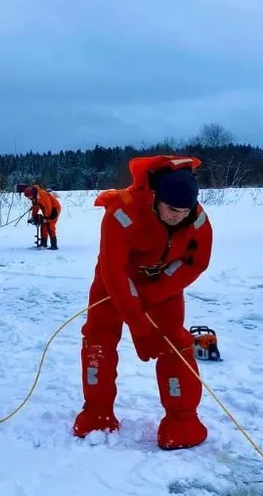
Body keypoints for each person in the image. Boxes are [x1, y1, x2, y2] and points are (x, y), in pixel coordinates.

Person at [73, 155, 213, 450]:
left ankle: (182, 421)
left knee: (175, 343)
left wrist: (156, 292)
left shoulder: (197, 218)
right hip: (114, 282)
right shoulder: (121, 213)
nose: (177, 216)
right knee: (98, 339)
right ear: (155, 198)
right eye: (171, 209)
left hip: (163, 284)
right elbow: (114, 270)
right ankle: (97, 413)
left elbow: (196, 262)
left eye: (184, 211)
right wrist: (139, 323)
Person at [23, 184, 62, 249]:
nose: (29, 198)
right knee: (44, 225)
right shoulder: (34, 197)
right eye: (28, 197)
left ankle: (54, 245)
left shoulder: (42, 194)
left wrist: (46, 218)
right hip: (47, 211)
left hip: (54, 209)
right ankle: (43, 243)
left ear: (32, 194)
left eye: (29, 196)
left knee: (50, 225)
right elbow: (35, 207)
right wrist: (34, 216)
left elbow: (48, 206)